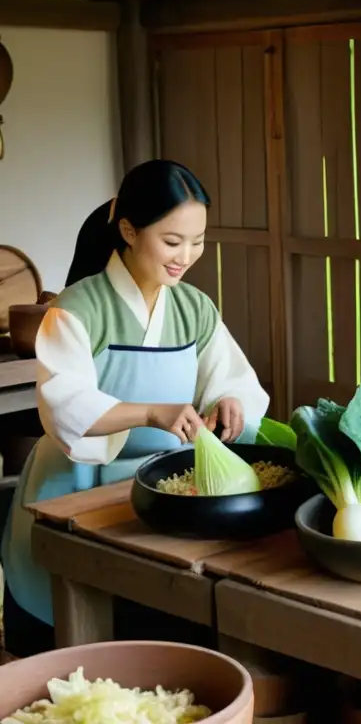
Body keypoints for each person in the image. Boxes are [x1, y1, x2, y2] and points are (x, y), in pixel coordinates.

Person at [1, 159, 270, 657]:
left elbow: (232, 380)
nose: (186, 256)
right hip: (77, 484)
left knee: (155, 632)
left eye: (198, 241)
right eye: (172, 241)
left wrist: (229, 402)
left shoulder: (194, 308)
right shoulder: (76, 310)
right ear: (128, 230)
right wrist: (152, 413)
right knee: (75, 636)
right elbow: (66, 406)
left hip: (161, 485)